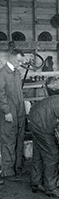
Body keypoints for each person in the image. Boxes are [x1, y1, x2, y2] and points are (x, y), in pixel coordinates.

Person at [0, 49, 27, 183]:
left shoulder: (17, 72)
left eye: (21, 61)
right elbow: (1, 94)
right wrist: (6, 112)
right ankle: (8, 171)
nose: (20, 63)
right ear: (11, 58)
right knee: (9, 140)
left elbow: (18, 93)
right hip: (9, 113)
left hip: (20, 111)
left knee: (19, 138)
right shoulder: (2, 73)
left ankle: (17, 167)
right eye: (18, 61)